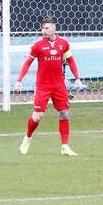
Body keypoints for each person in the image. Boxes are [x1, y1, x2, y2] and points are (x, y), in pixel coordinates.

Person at [16, 17, 83, 156]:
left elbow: (71, 60)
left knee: (64, 114)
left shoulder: (63, 44)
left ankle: (65, 146)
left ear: (54, 28)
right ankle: (27, 138)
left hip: (59, 86)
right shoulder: (38, 45)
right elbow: (27, 62)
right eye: (43, 28)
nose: (44, 31)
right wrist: (19, 80)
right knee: (38, 116)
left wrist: (77, 78)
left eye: (47, 28)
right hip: (43, 86)